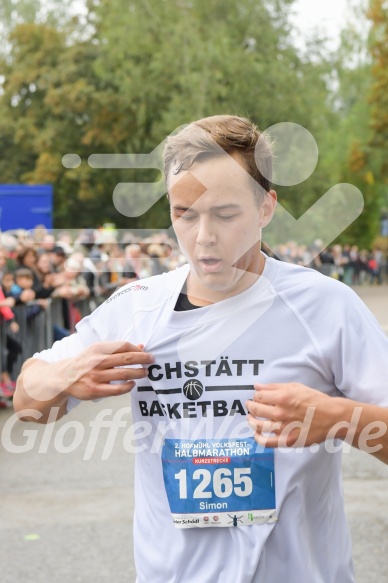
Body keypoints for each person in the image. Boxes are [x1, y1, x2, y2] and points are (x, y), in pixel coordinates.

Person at [14, 115, 388, 583]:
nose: (203, 236)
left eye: (225, 214)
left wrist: (339, 417)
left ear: (266, 208)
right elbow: (27, 402)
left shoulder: (325, 307)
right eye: (184, 214)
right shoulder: (138, 308)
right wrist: (64, 376)